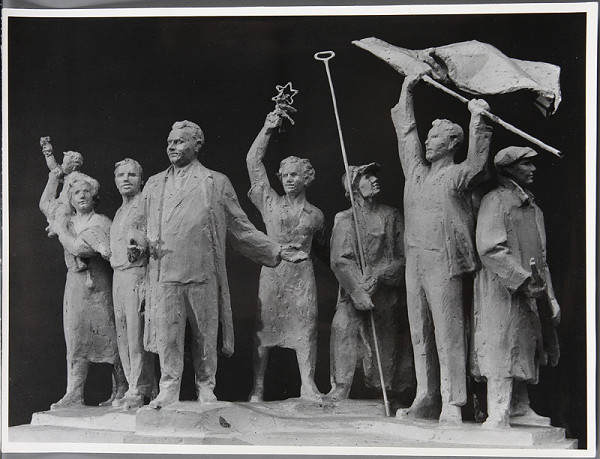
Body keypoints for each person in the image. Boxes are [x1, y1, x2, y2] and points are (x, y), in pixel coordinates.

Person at [128, 120, 307, 409]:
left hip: (203, 272)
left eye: (179, 141)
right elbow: (138, 225)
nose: (172, 147)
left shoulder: (215, 182)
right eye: (170, 142)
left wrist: (278, 250)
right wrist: (136, 243)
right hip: (165, 273)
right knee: (168, 335)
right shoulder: (154, 184)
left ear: (197, 145)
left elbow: (240, 228)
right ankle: (169, 388)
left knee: (205, 335)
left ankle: (205, 387)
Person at [392, 72, 492, 423]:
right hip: (415, 260)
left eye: (435, 137)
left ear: (451, 144)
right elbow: (406, 134)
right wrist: (407, 90)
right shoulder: (416, 174)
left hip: (443, 260)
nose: (427, 142)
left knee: (448, 331)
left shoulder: (457, 175)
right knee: (419, 331)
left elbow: (478, 162)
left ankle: (453, 400)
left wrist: (478, 120)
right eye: (429, 137)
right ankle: (426, 394)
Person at [471, 146, 560, 429]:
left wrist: (551, 297)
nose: (533, 170)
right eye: (526, 164)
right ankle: (498, 410)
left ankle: (520, 406)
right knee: (501, 344)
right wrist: (522, 279)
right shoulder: (495, 201)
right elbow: (489, 248)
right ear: (509, 169)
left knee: (525, 344)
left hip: (531, 292)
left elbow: (542, 259)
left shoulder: (533, 209)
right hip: (502, 289)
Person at [246, 108, 325, 402]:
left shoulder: (316, 215)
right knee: (264, 330)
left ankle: (308, 384)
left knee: (306, 326)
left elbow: (324, 251)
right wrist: (268, 128)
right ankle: (257, 386)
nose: (289, 179)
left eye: (295, 175)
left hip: (302, 277)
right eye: (285, 175)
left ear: (306, 178)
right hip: (274, 271)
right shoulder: (269, 202)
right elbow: (253, 162)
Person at [326, 163, 415, 404]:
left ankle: (388, 392)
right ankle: (341, 386)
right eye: (367, 176)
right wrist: (359, 289)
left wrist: (380, 275)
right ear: (354, 186)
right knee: (343, 326)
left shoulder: (391, 216)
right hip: (355, 292)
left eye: (374, 175)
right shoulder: (345, 219)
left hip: (386, 293)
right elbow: (340, 259)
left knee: (387, 339)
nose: (375, 179)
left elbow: (404, 257)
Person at [50, 173, 127, 409]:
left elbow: (82, 249)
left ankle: (122, 388)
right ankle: (74, 392)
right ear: (70, 199)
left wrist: (60, 231)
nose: (82, 196)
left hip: (100, 285)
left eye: (86, 191)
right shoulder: (69, 222)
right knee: (75, 337)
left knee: (111, 336)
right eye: (76, 193)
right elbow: (46, 204)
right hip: (75, 285)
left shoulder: (103, 222)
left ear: (94, 196)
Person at [110, 158, 157, 409]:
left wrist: (140, 245)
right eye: (121, 175)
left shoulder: (144, 205)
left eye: (131, 175)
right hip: (118, 275)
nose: (126, 179)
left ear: (141, 179)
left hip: (137, 274)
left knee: (136, 335)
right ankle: (132, 385)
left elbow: (153, 235)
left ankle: (139, 388)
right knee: (123, 334)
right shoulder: (120, 211)